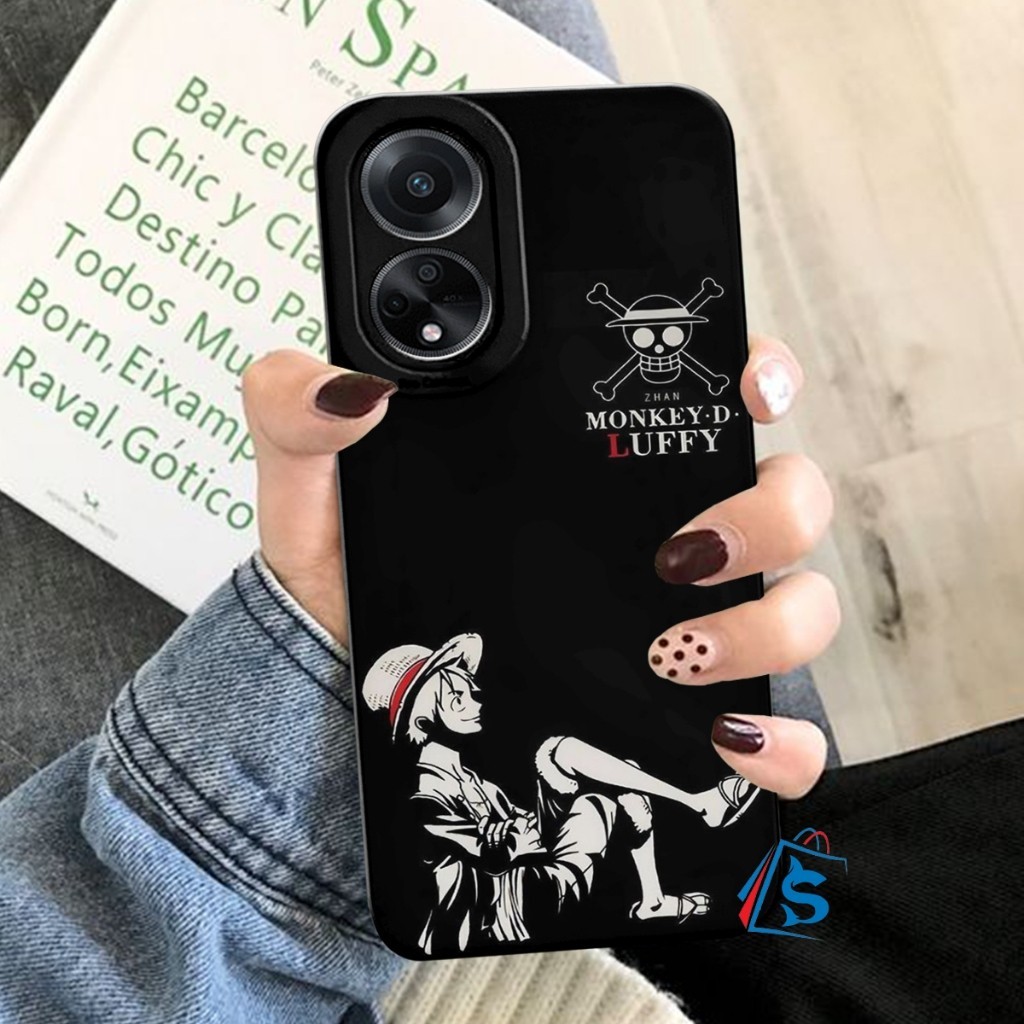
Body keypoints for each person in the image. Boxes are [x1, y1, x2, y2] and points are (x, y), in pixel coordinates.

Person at [363, 632, 760, 952]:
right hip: (516, 909)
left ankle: (655, 897)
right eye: (456, 696)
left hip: (535, 874)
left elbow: (523, 833)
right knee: (578, 768)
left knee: (607, 774)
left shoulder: (478, 784)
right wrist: (515, 836)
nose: (475, 698)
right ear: (422, 719)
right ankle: (700, 807)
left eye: (470, 688)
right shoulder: (426, 799)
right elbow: (499, 853)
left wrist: (523, 830)